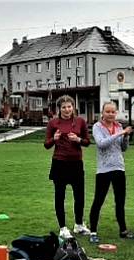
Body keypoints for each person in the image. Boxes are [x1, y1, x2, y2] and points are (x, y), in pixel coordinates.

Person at [88, 102, 134, 243]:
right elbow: (101, 143)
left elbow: (123, 148)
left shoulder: (118, 126)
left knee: (120, 201)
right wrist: (120, 133)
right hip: (104, 169)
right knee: (98, 200)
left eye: (113, 112)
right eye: (108, 111)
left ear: (116, 113)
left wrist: (126, 137)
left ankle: (123, 231)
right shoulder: (98, 127)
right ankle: (93, 232)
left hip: (119, 167)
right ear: (102, 113)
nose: (110, 114)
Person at [44, 95, 91, 239]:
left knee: (79, 196)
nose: (67, 109)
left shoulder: (80, 122)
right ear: (59, 109)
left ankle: (78, 224)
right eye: (64, 107)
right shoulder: (53, 123)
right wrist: (54, 139)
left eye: (69, 106)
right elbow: (46, 144)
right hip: (59, 163)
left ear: (73, 107)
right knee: (60, 196)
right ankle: (63, 227)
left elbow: (87, 141)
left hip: (76, 163)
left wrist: (78, 140)